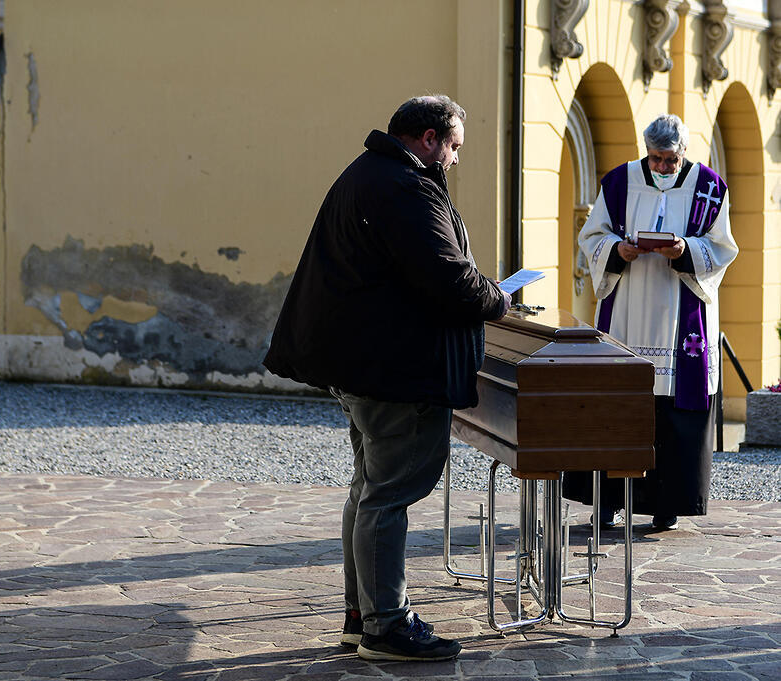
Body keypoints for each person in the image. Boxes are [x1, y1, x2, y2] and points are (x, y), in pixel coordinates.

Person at [264, 95, 510, 662]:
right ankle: (385, 626)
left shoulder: (369, 173)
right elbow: (446, 278)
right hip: (397, 370)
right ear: (426, 138)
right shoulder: (403, 185)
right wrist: (497, 299)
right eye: (453, 146)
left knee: (370, 490)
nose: (454, 158)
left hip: (367, 363)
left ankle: (362, 616)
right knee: (388, 494)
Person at [562, 114, 738, 531]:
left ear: (684, 154)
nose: (661, 167)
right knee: (618, 405)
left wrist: (686, 248)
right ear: (646, 151)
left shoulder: (709, 188)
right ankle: (606, 502)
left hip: (682, 317)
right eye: (656, 158)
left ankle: (667, 503)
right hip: (627, 311)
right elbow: (591, 236)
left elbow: (723, 247)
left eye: (670, 160)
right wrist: (615, 250)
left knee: (674, 410)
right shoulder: (620, 182)